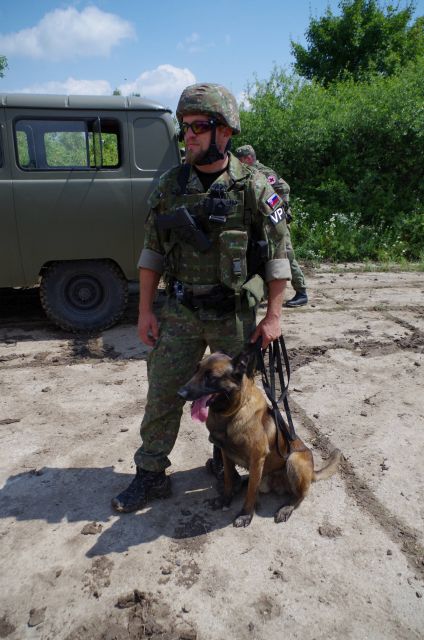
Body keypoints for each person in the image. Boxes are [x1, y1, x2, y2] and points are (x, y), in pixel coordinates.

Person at [112, 83, 291, 513]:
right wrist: (144, 311)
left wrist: (273, 316)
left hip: (234, 314)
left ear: (224, 131)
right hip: (180, 313)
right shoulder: (169, 186)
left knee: (237, 397)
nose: (188, 135)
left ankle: (225, 458)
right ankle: (150, 474)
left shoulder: (253, 186)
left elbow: (279, 254)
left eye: (199, 126)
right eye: (185, 127)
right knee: (163, 393)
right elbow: (152, 253)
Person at [234, 145, 308, 307]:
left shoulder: (263, 172)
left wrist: (281, 208)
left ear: (248, 158)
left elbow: (284, 188)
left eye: (240, 160)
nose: (238, 163)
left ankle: (301, 291)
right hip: (262, 222)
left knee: (285, 254)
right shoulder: (247, 173)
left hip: (275, 220)